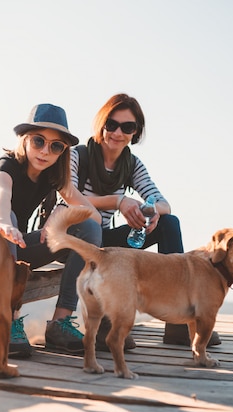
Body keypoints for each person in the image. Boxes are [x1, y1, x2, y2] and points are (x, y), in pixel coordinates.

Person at [70, 93, 220, 349]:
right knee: (91, 228)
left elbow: (164, 203)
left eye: (127, 127)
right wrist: (118, 202)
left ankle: (178, 323)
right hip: (78, 236)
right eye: (112, 124)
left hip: (106, 241)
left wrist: (151, 212)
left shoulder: (132, 164)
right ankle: (107, 320)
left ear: (136, 132)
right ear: (101, 124)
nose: (118, 132)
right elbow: (69, 200)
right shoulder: (78, 155)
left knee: (168, 223)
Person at [0, 103, 102, 358]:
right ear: (25, 139)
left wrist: (62, 212)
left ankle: (60, 324)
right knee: (7, 221)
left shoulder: (52, 176)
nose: (45, 151)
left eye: (56, 146)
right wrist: (4, 221)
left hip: (13, 250)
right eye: (39, 141)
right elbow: (1, 196)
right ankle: (7, 321)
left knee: (86, 228)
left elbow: (93, 215)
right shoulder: (5, 166)